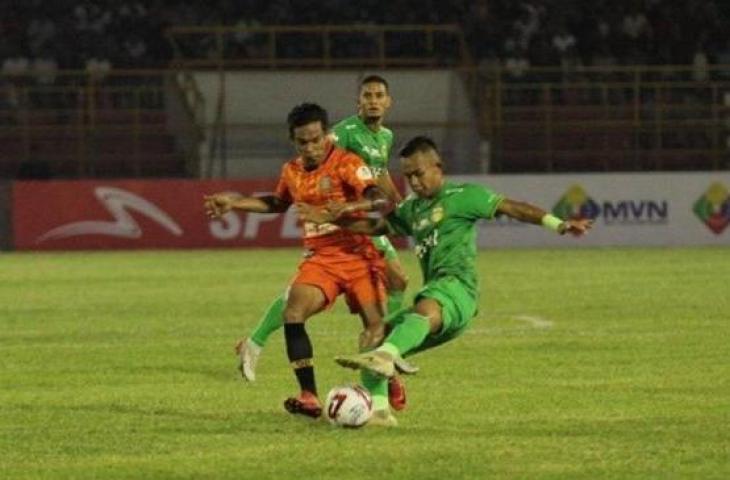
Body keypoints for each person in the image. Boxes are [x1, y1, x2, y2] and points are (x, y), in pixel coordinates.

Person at [299, 136, 593, 412]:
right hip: (437, 303)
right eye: (408, 176)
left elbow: (513, 208)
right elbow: (378, 226)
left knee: (416, 314)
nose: (414, 182)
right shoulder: (412, 209)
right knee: (372, 335)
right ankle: (379, 411)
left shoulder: (465, 196)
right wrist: (335, 219)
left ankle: (387, 356)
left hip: (458, 292)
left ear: (438, 168)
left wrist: (560, 225)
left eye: (419, 173)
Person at [204, 103, 396, 425]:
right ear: (293, 141)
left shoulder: (347, 164)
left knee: (374, 330)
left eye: (316, 139)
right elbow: (277, 203)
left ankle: (385, 392)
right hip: (322, 258)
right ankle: (309, 396)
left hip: (359, 255)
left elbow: (379, 200)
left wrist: (343, 209)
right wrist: (235, 202)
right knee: (294, 312)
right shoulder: (291, 171)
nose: (310, 148)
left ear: (327, 135)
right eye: (302, 142)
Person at [235, 75, 413, 409]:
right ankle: (263, 348)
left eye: (379, 96)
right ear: (357, 101)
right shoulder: (341, 134)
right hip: (340, 234)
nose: (373, 101)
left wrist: (399, 204)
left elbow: (380, 175)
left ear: (388, 101)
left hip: (358, 229)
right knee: (300, 302)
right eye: (367, 96)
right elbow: (320, 162)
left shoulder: (384, 136)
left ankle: (389, 367)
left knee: (391, 292)